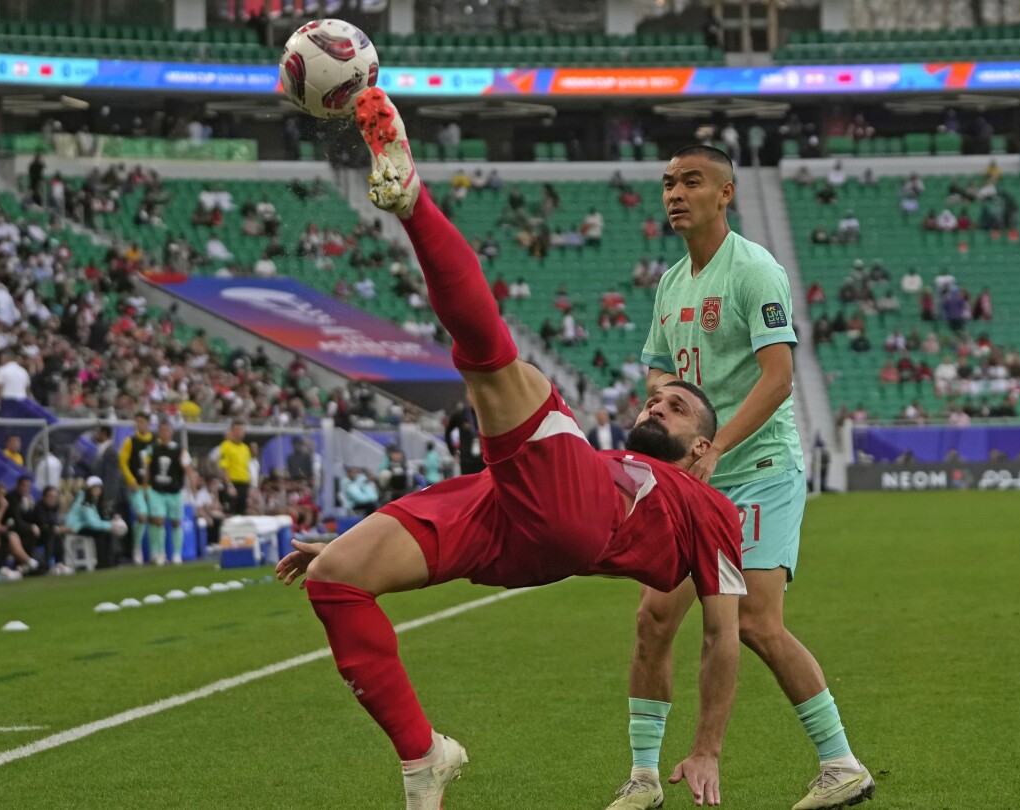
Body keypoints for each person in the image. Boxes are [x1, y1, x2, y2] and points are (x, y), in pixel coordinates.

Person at [275, 89, 747, 810]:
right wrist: (345, 539)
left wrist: (707, 746)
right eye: (656, 399)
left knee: (500, 367)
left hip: (580, 512)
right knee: (335, 578)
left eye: (677, 408)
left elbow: (722, 635)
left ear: (702, 446)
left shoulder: (708, 508)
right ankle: (423, 757)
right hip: (516, 517)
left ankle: (413, 203)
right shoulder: (619, 461)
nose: (658, 404)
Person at [627, 144, 871, 810]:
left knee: (756, 623)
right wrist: (668, 416)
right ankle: (644, 780)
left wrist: (716, 446)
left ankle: (841, 765)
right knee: (654, 618)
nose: (675, 193)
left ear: (726, 193)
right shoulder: (671, 282)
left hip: (758, 468)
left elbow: (779, 377)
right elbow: (658, 369)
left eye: (691, 182)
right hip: (696, 478)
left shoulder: (755, 270)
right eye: (668, 183)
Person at [146, 420, 192, 565]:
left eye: (167, 430)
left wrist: (193, 484)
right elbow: (147, 469)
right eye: (162, 430)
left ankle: (177, 554)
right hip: (157, 491)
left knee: (176, 522)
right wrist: (145, 487)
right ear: (159, 432)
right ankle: (160, 553)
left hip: (174, 491)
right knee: (158, 521)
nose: (165, 433)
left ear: (171, 432)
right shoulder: (152, 449)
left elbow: (188, 468)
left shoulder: (180, 450)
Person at [119, 413, 158, 564]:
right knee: (142, 516)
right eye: (137, 422)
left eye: (142, 421)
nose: (139, 424)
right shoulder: (130, 441)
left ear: (148, 423)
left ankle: (155, 552)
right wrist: (131, 480)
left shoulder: (155, 441)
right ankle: (137, 548)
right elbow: (123, 462)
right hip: (137, 486)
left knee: (155, 518)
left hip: (152, 487)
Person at [65, 476, 121, 569]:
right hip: (75, 527)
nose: (97, 490)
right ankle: (102, 563)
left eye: (99, 488)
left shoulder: (93, 500)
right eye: (94, 488)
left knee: (106, 533)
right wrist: (110, 525)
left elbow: (97, 519)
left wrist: (111, 522)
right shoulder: (84, 501)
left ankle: (108, 561)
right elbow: (92, 522)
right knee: (100, 533)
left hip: (82, 525)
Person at [218, 420, 253, 515]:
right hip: (233, 483)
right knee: (230, 512)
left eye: (243, 430)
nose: (242, 433)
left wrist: (250, 486)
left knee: (242, 512)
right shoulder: (226, 446)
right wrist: (229, 485)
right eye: (240, 430)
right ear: (234, 431)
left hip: (244, 483)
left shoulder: (245, 448)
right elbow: (224, 467)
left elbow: (247, 467)